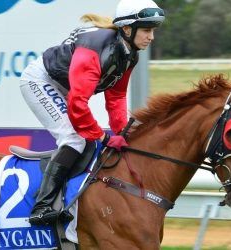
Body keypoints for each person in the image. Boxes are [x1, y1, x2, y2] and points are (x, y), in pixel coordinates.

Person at [19, 0, 165, 225]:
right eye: (146, 30)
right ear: (127, 29)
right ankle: (41, 206)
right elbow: (78, 104)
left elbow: (116, 98)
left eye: (153, 30)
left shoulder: (129, 54)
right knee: (75, 138)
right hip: (40, 81)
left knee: (87, 140)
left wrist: (121, 134)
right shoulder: (95, 49)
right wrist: (103, 136)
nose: (151, 37)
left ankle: (68, 198)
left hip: (66, 87)